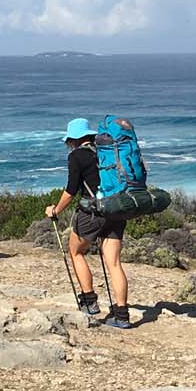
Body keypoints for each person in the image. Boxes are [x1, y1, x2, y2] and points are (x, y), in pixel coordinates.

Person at [44, 117, 132, 328]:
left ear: (72, 140)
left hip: (92, 212)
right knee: (114, 263)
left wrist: (55, 209)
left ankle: (89, 302)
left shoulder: (77, 156)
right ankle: (121, 315)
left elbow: (71, 190)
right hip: (116, 210)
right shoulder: (106, 152)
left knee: (76, 252)